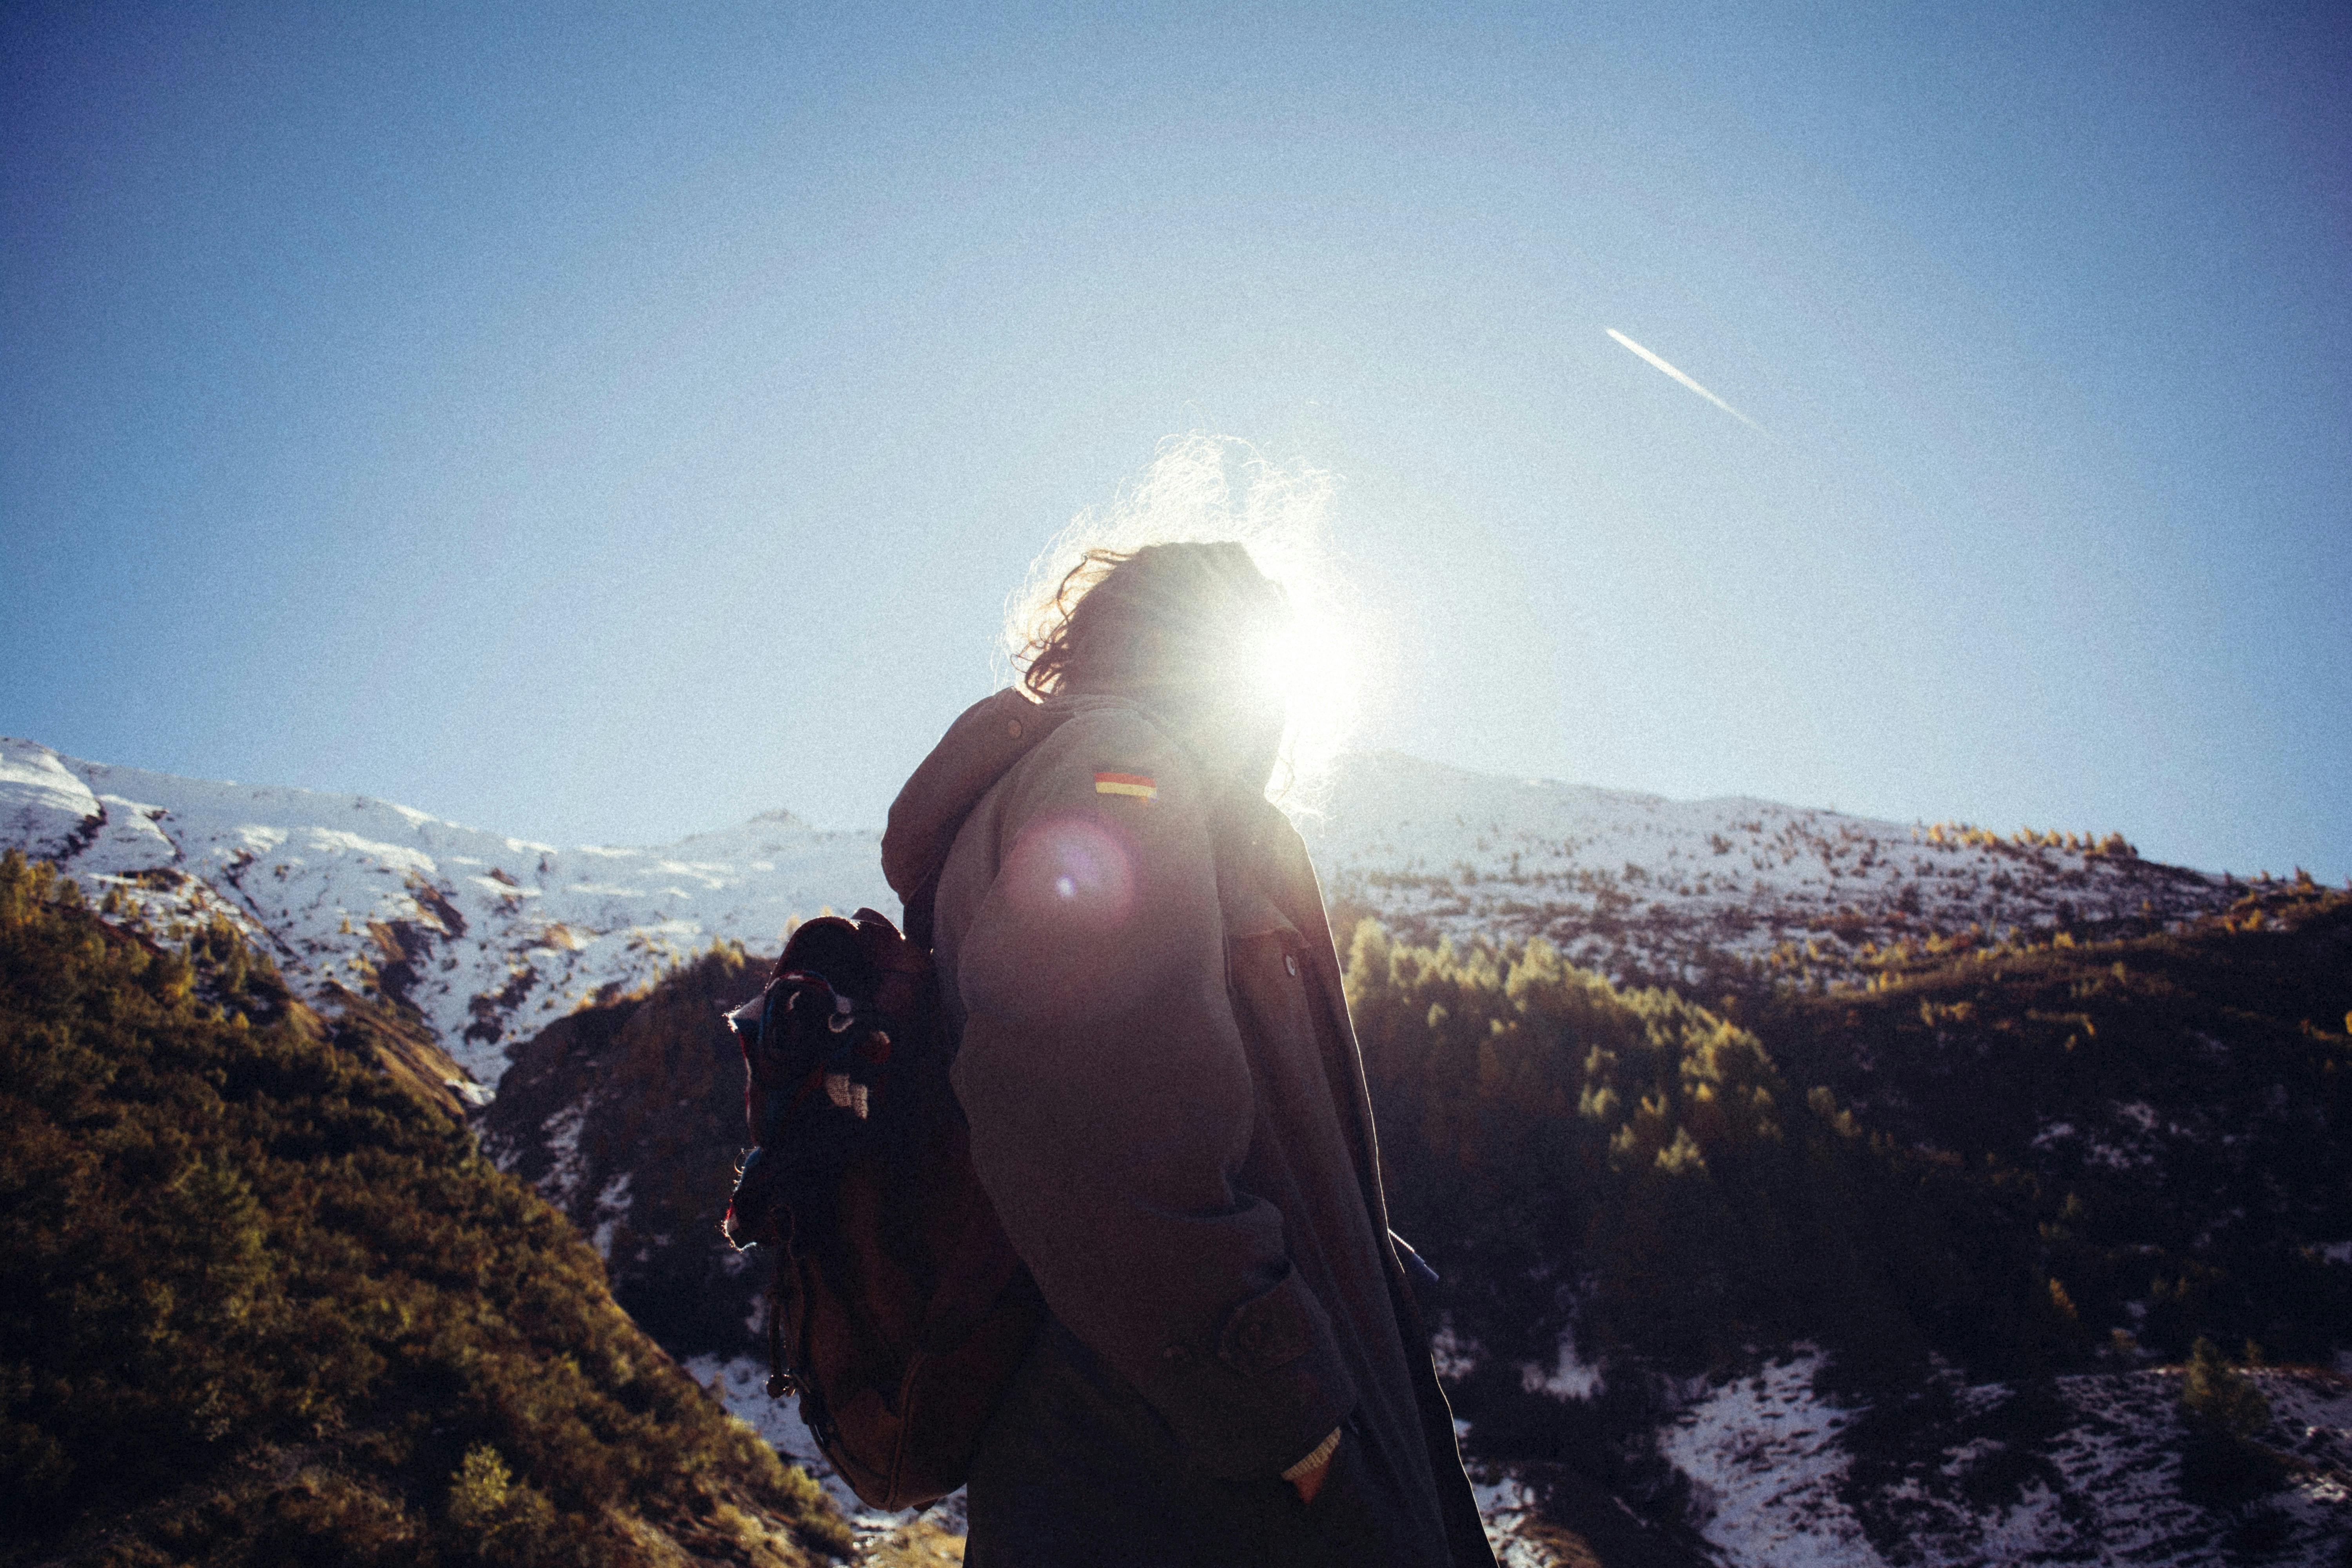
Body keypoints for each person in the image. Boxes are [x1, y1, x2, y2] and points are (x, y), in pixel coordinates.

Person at [881, 541, 1496, 1567]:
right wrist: (1286, 1423)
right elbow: (1080, 1100)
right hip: (1205, 1495)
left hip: (1106, 1473)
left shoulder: (1048, 792)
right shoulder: (1118, 768)